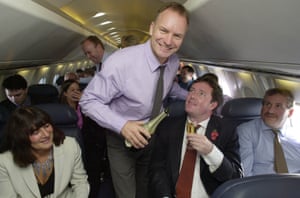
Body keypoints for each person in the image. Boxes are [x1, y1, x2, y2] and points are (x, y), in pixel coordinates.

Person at [79, 2, 189, 198]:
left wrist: (191, 96)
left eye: (177, 35)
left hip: (151, 136)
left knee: (145, 190)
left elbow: (168, 87)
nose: (168, 40)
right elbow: (88, 101)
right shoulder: (121, 62)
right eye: (163, 30)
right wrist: (122, 126)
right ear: (152, 28)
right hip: (120, 139)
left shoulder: (173, 62)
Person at [148, 77, 242, 198]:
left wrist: (211, 151)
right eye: (191, 90)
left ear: (212, 105)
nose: (192, 96)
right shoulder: (168, 126)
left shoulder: (227, 130)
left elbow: (234, 177)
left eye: (201, 94)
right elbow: (157, 168)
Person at [0, 106, 89, 197]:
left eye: (46, 126)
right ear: (21, 137)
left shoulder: (70, 145)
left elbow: (80, 182)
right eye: (35, 132)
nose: (46, 134)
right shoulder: (4, 162)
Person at [237, 88, 300, 176]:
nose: (270, 111)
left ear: (290, 113)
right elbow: (245, 173)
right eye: (267, 104)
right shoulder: (247, 131)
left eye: (278, 106)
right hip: (263, 186)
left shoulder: (297, 131)